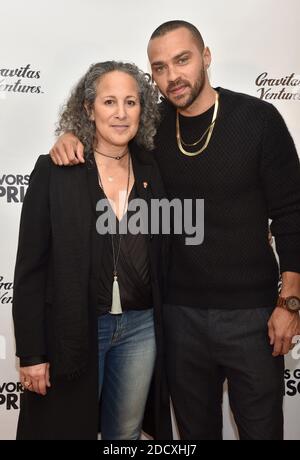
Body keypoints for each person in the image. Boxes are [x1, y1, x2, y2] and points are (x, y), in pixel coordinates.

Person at [50, 21, 300, 440]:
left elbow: (292, 214)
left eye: (182, 60)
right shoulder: (152, 128)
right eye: (159, 68)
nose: (172, 77)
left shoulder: (258, 119)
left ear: (205, 57)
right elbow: (110, 135)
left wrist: (289, 304)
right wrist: (71, 135)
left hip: (253, 317)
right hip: (177, 318)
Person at [13, 61, 172, 440]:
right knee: (66, 430)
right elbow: (31, 270)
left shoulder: (154, 168)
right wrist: (32, 354)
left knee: (125, 434)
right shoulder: (56, 170)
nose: (120, 113)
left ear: (142, 110)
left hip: (141, 328)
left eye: (131, 102)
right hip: (76, 329)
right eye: (109, 101)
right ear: (88, 109)